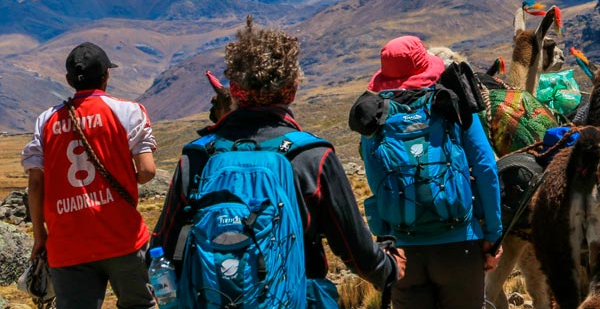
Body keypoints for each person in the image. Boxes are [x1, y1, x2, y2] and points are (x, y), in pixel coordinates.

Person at [151, 17, 404, 305]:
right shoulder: (311, 156)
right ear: (292, 89)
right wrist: (389, 269)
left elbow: (162, 246)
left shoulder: (197, 156)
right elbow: (355, 249)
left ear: (233, 88)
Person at [353, 35, 502, 309]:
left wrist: (388, 241)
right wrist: (493, 235)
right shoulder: (451, 103)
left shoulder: (375, 119)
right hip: (460, 245)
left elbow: (376, 183)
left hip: (404, 253)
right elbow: (485, 168)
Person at [22, 42, 158, 309]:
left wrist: (40, 236)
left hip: (67, 243)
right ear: (107, 75)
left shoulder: (46, 120)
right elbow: (147, 171)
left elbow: (36, 184)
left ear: (68, 80)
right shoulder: (128, 111)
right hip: (123, 237)